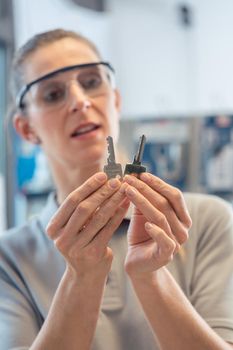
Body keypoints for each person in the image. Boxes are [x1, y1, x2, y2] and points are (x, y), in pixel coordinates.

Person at [0, 28, 233, 350]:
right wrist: (81, 278)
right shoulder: (9, 258)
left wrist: (150, 278)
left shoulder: (207, 220)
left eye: (92, 82)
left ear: (117, 99)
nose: (80, 102)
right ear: (26, 128)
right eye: (53, 94)